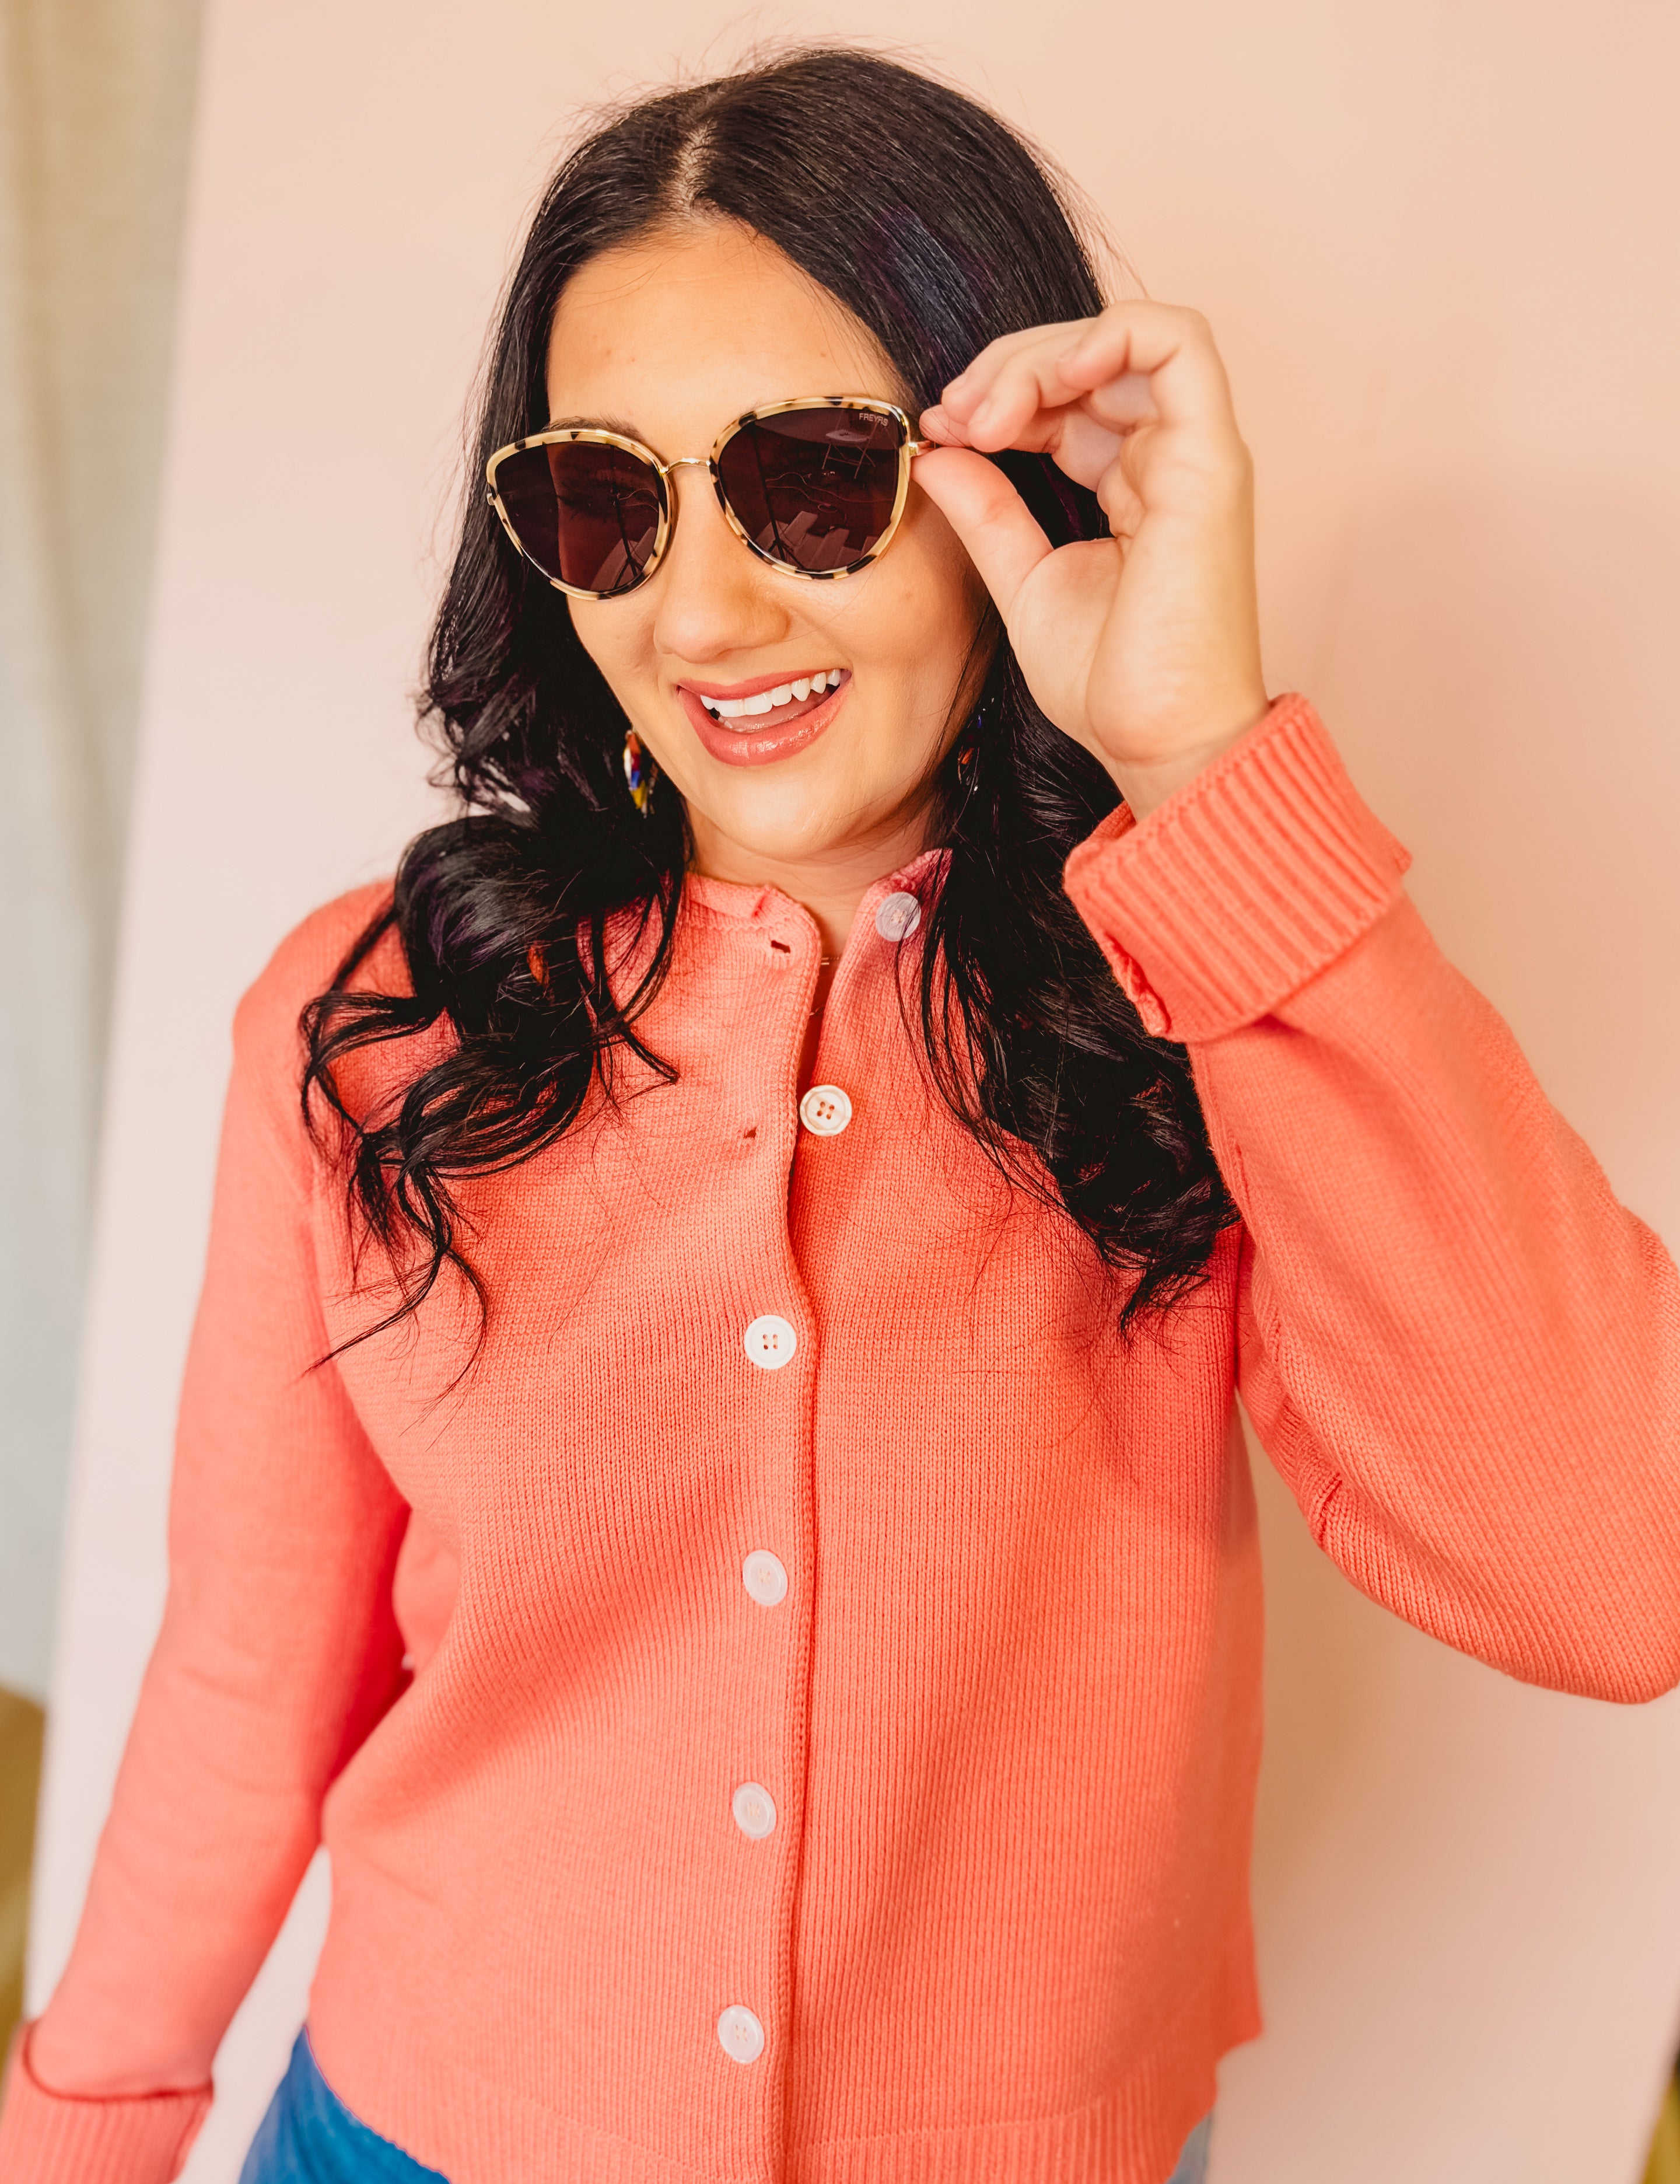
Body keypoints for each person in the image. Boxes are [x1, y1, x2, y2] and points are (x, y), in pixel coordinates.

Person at [2, 43, 1676, 2184]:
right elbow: (249, 1677)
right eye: (606, 502)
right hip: (414, 2134)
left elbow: (1615, 1562)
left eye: (810, 482)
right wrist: (81, 2134)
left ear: (1002, 489)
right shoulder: (378, 1024)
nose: (703, 611)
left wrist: (1200, 765)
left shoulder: (1193, 986)